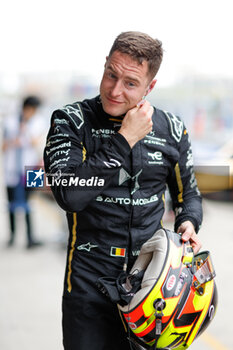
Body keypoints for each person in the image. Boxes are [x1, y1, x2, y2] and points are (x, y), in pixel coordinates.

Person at [43, 31, 203, 350]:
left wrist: (189, 222)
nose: (115, 90)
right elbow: (69, 196)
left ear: (150, 86)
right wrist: (123, 140)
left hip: (152, 285)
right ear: (104, 66)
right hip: (88, 286)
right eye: (110, 75)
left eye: (130, 83)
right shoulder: (70, 121)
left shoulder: (172, 129)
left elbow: (189, 197)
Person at [3, 95, 45, 248]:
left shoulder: (39, 121)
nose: (32, 113)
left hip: (33, 168)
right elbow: (3, 146)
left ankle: (30, 238)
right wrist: (13, 140)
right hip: (12, 168)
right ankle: (12, 237)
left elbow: (37, 142)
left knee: (31, 203)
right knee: (11, 204)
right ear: (26, 108)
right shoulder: (9, 122)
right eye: (31, 110)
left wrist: (25, 130)